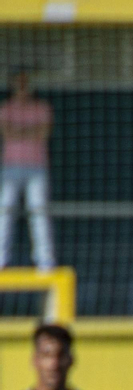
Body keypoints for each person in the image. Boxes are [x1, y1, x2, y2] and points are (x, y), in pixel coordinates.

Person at [0, 70, 55, 271]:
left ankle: (45, 260)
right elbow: (8, 133)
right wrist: (29, 130)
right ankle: (1, 258)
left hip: (37, 167)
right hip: (11, 167)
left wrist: (19, 130)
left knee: (38, 212)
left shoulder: (42, 107)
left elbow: (43, 133)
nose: (22, 86)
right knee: (5, 211)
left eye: (25, 82)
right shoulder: (6, 108)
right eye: (19, 82)